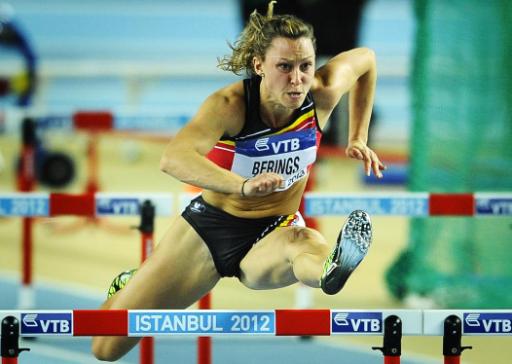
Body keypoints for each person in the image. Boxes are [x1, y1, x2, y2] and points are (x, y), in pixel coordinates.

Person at [92, 2, 384, 361]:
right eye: (285, 67)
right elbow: (174, 158)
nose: (297, 79)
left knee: (303, 242)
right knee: (106, 348)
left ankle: (330, 269)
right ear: (259, 66)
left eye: (305, 66)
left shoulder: (320, 93)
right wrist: (240, 186)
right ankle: (133, 283)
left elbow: (366, 59)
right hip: (209, 231)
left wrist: (358, 136)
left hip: (275, 230)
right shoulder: (229, 105)